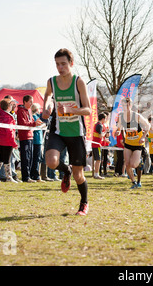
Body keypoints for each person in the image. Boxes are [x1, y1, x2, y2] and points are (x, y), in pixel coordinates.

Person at [42, 48, 92, 216]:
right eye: (57, 64)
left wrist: (71, 109)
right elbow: (48, 95)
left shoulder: (79, 82)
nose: (60, 67)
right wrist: (47, 106)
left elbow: (88, 110)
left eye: (63, 64)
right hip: (58, 130)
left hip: (76, 132)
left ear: (71, 63)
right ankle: (66, 170)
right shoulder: (52, 81)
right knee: (51, 161)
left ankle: (84, 203)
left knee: (79, 176)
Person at [115, 97, 149, 189]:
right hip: (128, 143)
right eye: (122, 106)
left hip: (138, 143)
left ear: (130, 105)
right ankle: (134, 182)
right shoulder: (121, 117)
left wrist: (143, 137)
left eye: (125, 105)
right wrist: (118, 132)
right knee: (127, 164)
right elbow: (119, 128)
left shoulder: (137, 116)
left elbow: (148, 126)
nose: (124, 107)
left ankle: (139, 162)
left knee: (134, 164)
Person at [17, 95, 42, 183]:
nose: (31, 104)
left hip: (31, 135)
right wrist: (34, 124)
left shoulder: (29, 110)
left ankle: (30, 176)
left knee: (30, 157)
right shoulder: (20, 111)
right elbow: (23, 123)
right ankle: (25, 177)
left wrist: (35, 123)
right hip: (24, 136)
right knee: (25, 157)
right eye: (30, 102)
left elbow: (30, 121)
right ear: (25, 102)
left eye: (32, 102)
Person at [0, 98, 18, 183]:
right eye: (11, 105)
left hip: (1, 140)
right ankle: (9, 177)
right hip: (7, 141)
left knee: (1, 158)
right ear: (8, 106)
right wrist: (14, 143)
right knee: (7, 159)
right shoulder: (8, 117)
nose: (12, 106)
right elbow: (9, 131)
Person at [31, 103, 44, 182]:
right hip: (36, 140)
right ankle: (36, 175)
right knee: (36, 158)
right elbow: (38, 126)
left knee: (36, 158)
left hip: (38, 139)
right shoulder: (35, 117)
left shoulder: (35, 117)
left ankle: (35, 174)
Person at [92, 113, 107, 179]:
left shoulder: (97, 125)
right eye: (105, 119)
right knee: (98, 160)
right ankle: (96, 174)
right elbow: (101, 135)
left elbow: (98, 136)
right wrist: (105, 132)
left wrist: (106, 141)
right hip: (97, 144)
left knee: (98, 160)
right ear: (103, 119)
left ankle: (96, 173)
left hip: (96, 144)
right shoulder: (99, 125)